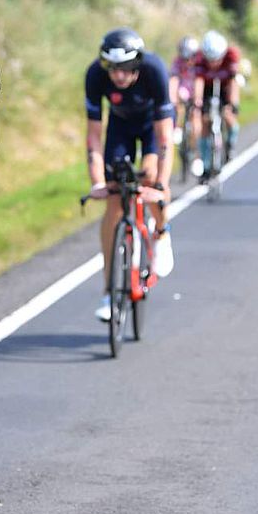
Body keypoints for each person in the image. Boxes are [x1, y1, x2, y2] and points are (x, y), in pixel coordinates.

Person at [85, 27, 175, 322]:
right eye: (113, 69)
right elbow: (94, 137)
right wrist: (98, 181)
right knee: (113, 199)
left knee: (149, 177)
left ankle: (161, 234)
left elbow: (165, 138)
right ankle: (110, 291)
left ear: (137, 65)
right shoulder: (95, 76)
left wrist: (160, 186)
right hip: (120, 128)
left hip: (152, 126)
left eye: (125, 69)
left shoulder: (154, 70)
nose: (119, 76)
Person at [190, 30, 242, 178]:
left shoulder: (231, 56)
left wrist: (233, 103)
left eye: (217, 60)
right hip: (207, 89)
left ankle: (230, 143)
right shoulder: (199, 59)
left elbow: (233, 82)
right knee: (205, 121)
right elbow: (198, 83)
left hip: (225, 88)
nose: (213, 64)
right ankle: (206, 163)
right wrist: (197, 102)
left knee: (228, 115)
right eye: (210, 60)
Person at [169, 35, 200, 163]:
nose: (188, 61)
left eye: (190, 57)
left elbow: (200, 81)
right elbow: (174, 80)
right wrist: (173, 99)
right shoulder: (177, 63)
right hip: (183, 89)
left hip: (196, 91)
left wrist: (198, 98)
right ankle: (178, 128)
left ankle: (194, 146)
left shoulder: (199, 64)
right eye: (185, 58)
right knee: (179, 106)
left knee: (195, 115)